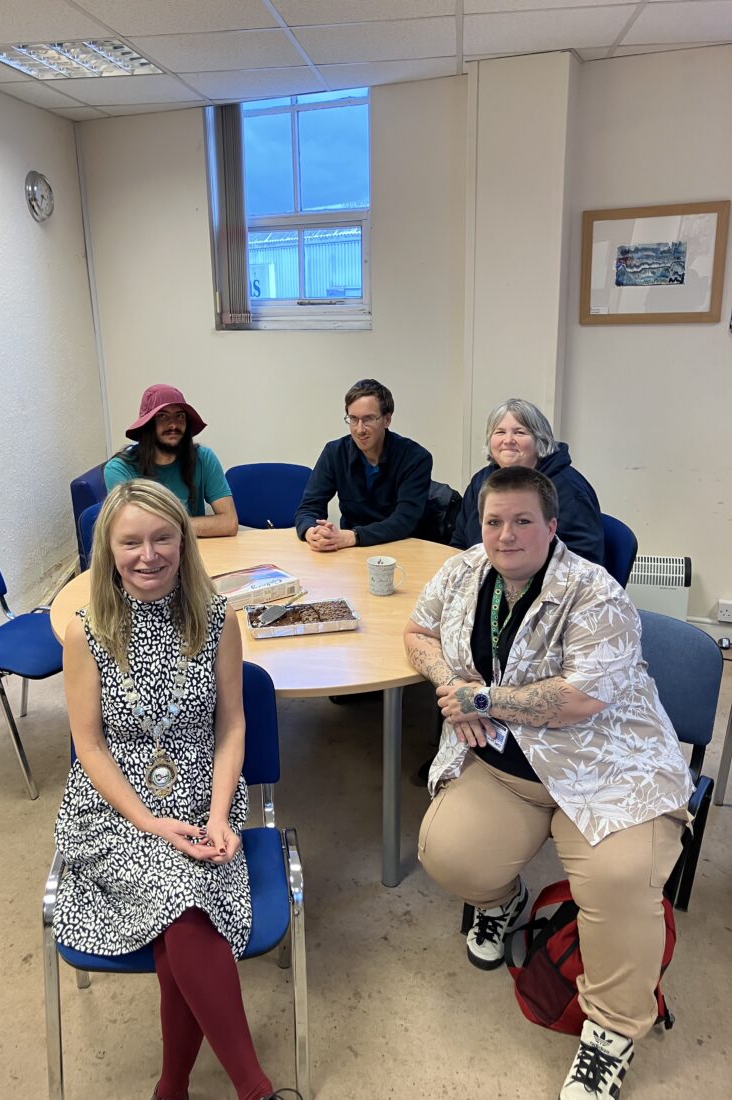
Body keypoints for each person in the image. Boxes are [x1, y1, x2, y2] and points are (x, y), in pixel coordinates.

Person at [404, 466, 692, 1100]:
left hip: (608, 768)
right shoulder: (462, 571)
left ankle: (612, 1032)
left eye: (523, 520)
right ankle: (503, 903)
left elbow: (580, 699)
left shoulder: (594, 593)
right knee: (447, 853)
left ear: (552, 526)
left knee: (619, 884)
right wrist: (448, 684)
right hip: (512, 772)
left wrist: (481, 696)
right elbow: (418, 632)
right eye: (493, 521)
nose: (506, 536)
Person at [52, 479, 298, 1100]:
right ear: (107, 551)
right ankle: (254, 1089)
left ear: (185, 544)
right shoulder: (86, 632)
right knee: (184, 898)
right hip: (115, 805)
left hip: (201, 791)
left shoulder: (218, 618)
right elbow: (90, 746)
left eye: (163, 538)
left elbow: (233, 725)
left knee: (183, 905)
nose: (148, 555)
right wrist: (149, 822)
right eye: (130, 542)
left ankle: (172, 1088)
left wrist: (220, 815)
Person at [450, 397, 604, 565]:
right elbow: (460, 542)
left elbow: (582, 559)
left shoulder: (569, 489)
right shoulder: (481, 481)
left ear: (540, 439)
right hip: (483, 579)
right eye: (500, 432)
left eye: (519, 432)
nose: (508, 440)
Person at [295, 378, 433, 551]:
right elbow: (309, 506)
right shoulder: (334, 453)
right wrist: (311, 532)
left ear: (387, 419)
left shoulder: (416, 458)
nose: (360, 429)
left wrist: (353, 536)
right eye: (353, 419)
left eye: (368, 419)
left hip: (399, 547)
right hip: (351, 551)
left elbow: (405, 520)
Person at [104, 384, 238, 538]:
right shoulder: (120, 469)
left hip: (196, 554)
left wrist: (166, 525)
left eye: (180, 416)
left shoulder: (203, 458)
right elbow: (138, 531)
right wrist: (194, 525)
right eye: (163, 416)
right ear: (147, 424)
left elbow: (229, 523)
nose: (173, 424)